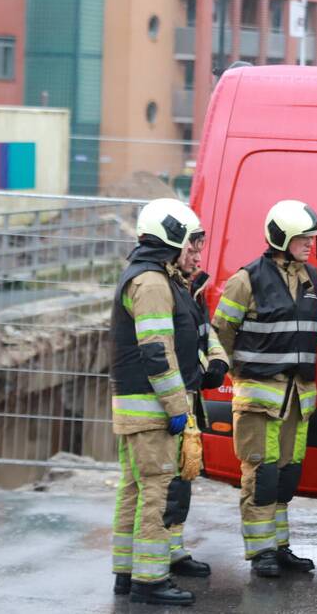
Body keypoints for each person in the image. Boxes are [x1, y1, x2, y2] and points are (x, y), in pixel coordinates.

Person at [211, 200, 317, 578]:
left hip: (296, 397)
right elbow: (219, 336)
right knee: (261, 475)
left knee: (286, 477)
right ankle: (261, 553)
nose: (310, 244)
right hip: (260, 398)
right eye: (303, 238)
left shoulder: (311, 278)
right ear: (283, 238)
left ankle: (279, 546)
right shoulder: (246, 280)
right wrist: (235, 379)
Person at [109, 198, 204, 606]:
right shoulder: (150, 283)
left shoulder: (154, 278)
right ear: (173, 236)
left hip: (139, 409)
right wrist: (178, 409)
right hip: (152, 411)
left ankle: (127, 574)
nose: (196, 252)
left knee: (134, 490)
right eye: (192, 243)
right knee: (155, 493)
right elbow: (156, 353)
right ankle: (149, 581)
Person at [162, 263, 230, 578]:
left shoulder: (194, 287)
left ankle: (174, 550)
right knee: (162, 484)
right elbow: (165, 348)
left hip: (188, 396)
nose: (197, 254)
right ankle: (155, 557)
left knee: (183, 477)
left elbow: (204, 333)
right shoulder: (162, 287)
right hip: (167, 400)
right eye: (192, 246)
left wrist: (217, 360)